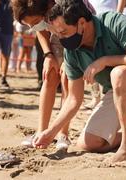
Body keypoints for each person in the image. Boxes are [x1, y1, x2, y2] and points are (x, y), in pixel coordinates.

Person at [32, 0, 126, 162]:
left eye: (63, 32)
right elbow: (73, 99)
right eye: (57, 34)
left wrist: (105, 60)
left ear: (82, 23)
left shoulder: (112, 21)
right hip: (119, 91)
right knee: (88, 143)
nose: (61, 39)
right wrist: (50, 132)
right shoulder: (72, 52)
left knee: (119, 73)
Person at [11, 0, 77, 150]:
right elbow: (40, 29)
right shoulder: (36, 13)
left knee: (67, 80)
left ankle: (63, 134)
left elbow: (79, 31)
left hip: (77, 36)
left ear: (46, 8)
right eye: (28, 25)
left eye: (34, 21)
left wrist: (69, 60)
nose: (32, 27)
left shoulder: (65, 4)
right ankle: (41, 130)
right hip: (56, 33)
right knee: (49, 75)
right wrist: (48, 55)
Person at [83, 0, 119, 110]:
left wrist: (118, 14)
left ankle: (108, 97)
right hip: (91, 22)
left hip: (109, 24)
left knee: (108, 65)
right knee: (91, 63)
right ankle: (96, 97)